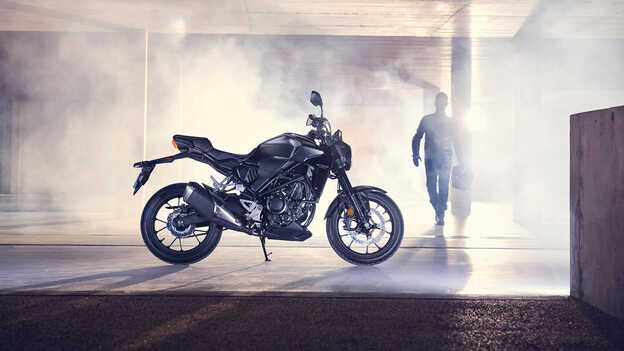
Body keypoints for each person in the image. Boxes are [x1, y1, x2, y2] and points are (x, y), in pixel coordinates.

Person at [412, 92, 461, 226]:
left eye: (442, 102)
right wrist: (415, 154)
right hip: (432, 158)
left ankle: (440, 213)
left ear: (445, 104)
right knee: (431, 186)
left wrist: (462, 161)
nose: (440, 104)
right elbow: (417, 137)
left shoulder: (451, 122)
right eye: (439, 102)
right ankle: (439, 210)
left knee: (443, 186)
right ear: (436, 103)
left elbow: (457, 142)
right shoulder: (427, 120)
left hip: (444, 157)